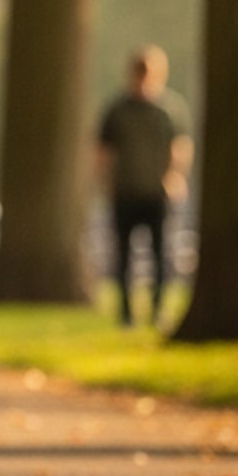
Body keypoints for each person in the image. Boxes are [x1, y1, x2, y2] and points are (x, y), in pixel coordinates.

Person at [96, 45, 192, 328]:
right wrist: (106, 183)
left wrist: (174, 178)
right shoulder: (117, 109)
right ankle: (126, 315)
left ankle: (158, 311)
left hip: (157, 194)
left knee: (161, 255)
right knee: (122, 256)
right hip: (124, 192)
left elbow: (181, 147)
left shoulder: (170, 109)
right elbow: (102, 150)